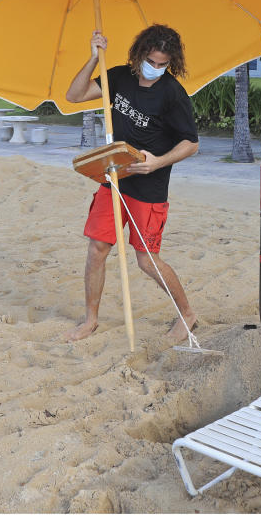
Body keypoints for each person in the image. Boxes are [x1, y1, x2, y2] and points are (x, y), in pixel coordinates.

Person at [64, 24, 200, 343]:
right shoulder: (121, 76)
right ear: (139, 54)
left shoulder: (172, 93)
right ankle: (91, 320)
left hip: (149, 189)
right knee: (97, 249)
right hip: (114, 179)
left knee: (147, 260)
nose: (156, 68)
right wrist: (93, 58)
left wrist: (158, 161)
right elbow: (75, 95)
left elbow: (191, 144)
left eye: (163, 63)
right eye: (151, 60)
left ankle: (188, 315)